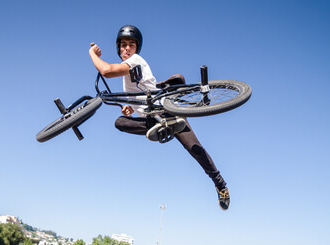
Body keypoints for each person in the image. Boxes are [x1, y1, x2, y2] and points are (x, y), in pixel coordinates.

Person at [88, 25, 230, 210]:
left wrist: (93, 54)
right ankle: (162, 125)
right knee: (119, 122)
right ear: (118, 48)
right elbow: (137, 98)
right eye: (123, 45)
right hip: (152, 119)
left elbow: (106, 71)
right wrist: (129, 108)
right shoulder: (127, 79)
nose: (127, 48)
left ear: (137, 48)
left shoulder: (136, 60)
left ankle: (221, 185)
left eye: (131, 45)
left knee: (194, 148)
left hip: (168, 111)